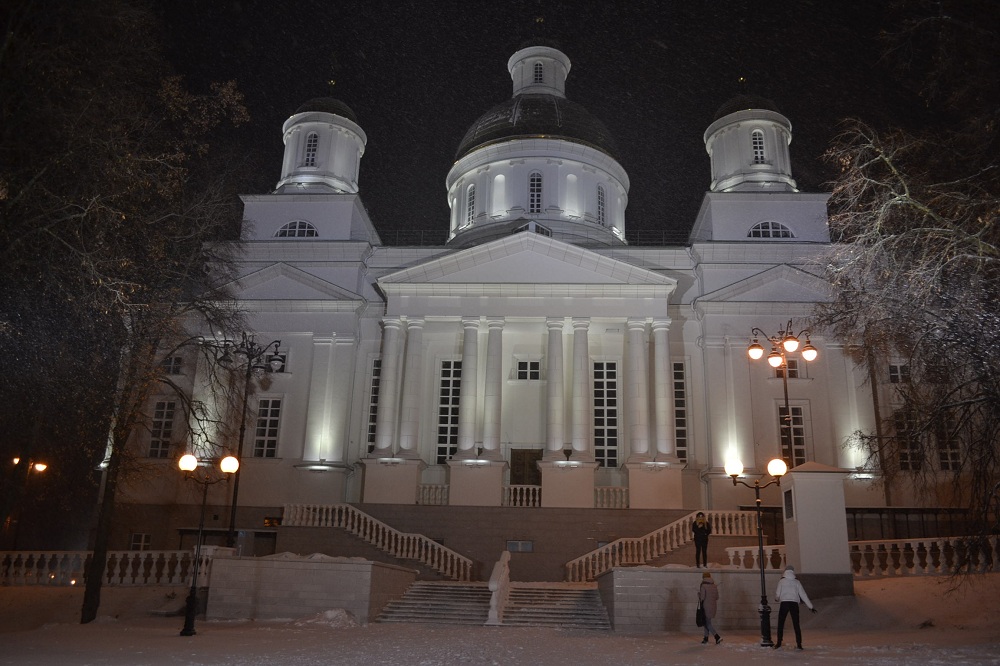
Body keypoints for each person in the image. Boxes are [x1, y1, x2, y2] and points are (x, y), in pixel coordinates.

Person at [773, 565, 817, 650]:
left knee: (781, 623)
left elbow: (777, 594)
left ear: (785, 571)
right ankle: (799, 644)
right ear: (793, 572)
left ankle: (778, 643)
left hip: (784, 603)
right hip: (794, 604)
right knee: (796, 624)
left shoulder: (782, 581)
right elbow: (803, 595)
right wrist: (810, 607)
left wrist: (777, 599)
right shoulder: (797, 582)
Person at [698, 572, 722, 644]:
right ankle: (706, 638)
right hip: (713, 606)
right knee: (707, 622)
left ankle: (717, 636)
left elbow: (702, 598)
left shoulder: (703, 586)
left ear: (703, 577)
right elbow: (717, 597)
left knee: (707, 623)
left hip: (706, 607)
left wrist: (698, 594)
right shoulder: (714, 585)